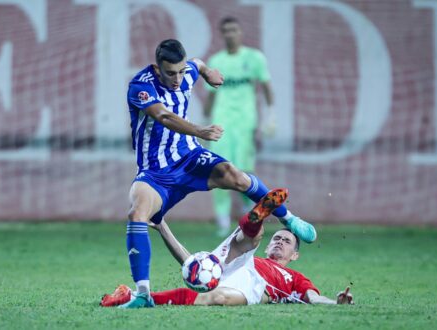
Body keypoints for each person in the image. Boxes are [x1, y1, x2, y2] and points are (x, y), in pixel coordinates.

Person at [122, 39, 316, 308]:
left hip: (190, 157)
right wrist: (199, 130)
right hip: (156, 173)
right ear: (157, 68)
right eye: (170, 73)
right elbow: (164, 116)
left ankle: (289, 219)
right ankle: (142, 294)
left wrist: (208, 71)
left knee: (235, 175)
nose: (177, 79)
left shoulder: (186, 71)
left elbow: (197, 65)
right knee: (137, 213)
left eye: (180, 72)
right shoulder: (141, 86)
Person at [103, 190, 353, 307]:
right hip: (244, 262)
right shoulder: (258, 257)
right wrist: (161, 225)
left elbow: (313, 298)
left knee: (217, 297)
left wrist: (335, 303)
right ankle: (257, 218)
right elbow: (191, 265)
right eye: (277, 239)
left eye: (286, 242)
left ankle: (134, 297)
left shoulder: (296, 278)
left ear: (295, 255)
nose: (279, 242)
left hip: (257, 287)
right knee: (249, 242)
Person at [204, 16, 276, 236]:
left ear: (240, 32)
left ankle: (249, 215)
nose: (230, 34)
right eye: (226, 30)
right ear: (221, 34)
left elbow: (266, 88)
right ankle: (223, 221)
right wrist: (204, 121)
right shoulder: (216, 60)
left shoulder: (254, 58)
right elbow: (210, 96)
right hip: (221, 122)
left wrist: (270, 117)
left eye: (234, 30)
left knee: (245, 171)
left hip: (246, 123)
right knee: (219, 169)